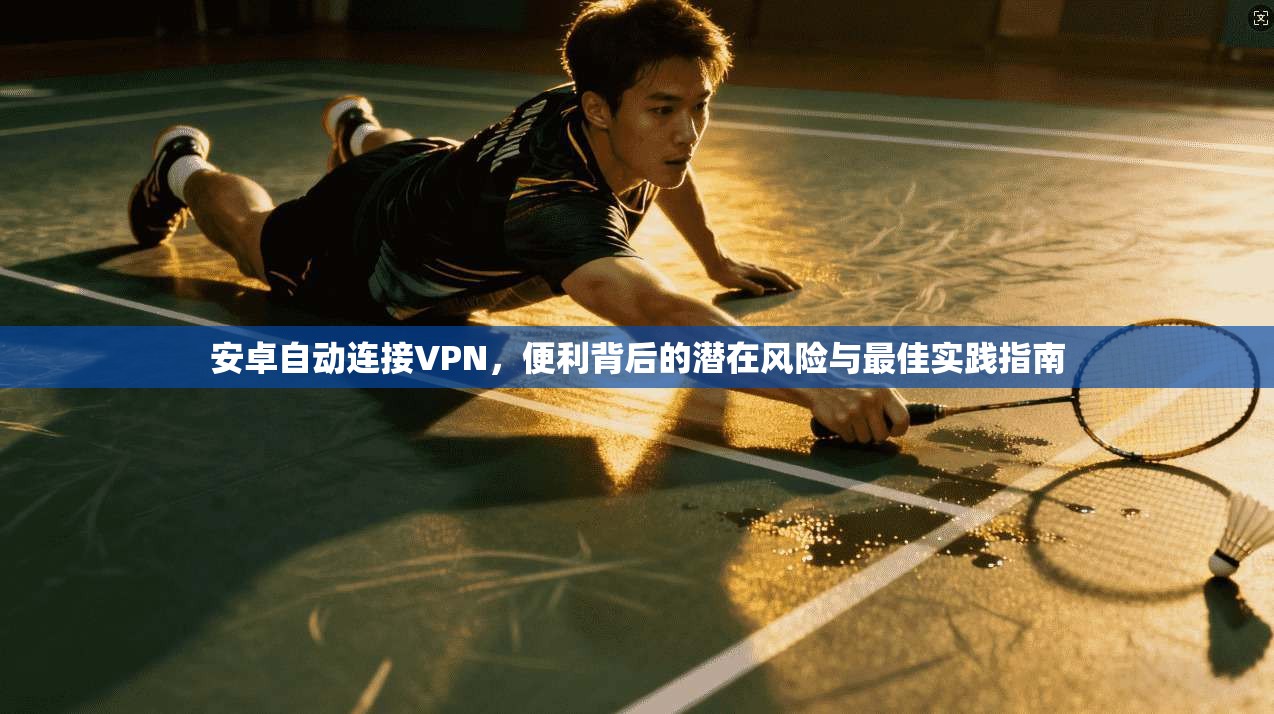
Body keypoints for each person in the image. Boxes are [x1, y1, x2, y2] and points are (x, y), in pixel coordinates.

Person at [125, 0, 909, 444]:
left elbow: (668, 166)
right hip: (361, 247)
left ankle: (358, 132)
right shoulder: (553, 208)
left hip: (440, 172)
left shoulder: (615, 104)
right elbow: (654, 311)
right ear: (598, 109)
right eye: (665, 110)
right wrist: (817, 384)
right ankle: (182, 166)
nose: (687, 133)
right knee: (253, 237)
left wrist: (715, 257)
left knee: (421, 162)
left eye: (699, 107)